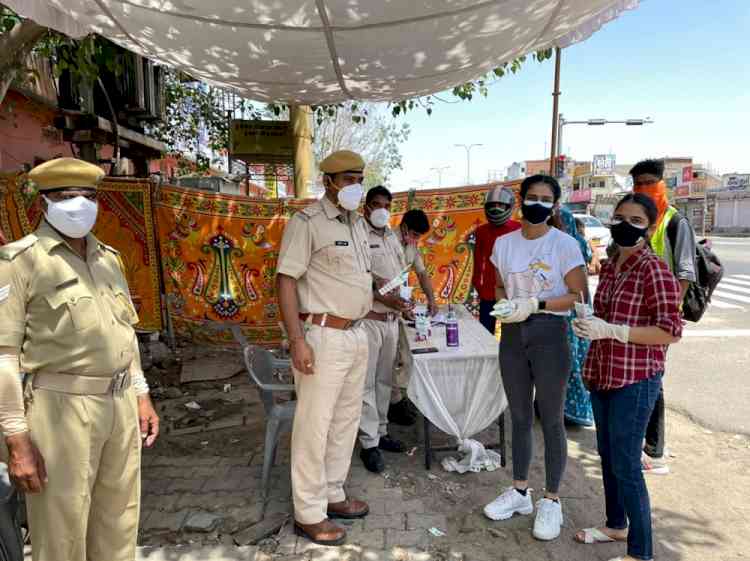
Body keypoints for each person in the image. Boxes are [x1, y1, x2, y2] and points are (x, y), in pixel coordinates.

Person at [0, 157, 159, 561]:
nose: (79, 205)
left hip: (120, 406)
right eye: (66, 196)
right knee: (62, 534)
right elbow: (3, 357)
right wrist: (16, 440)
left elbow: (126, 334)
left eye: (88, 196)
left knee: (118, 525)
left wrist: (141, 393)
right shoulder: (20, 262)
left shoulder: (109, 259)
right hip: (60, 410)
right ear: (44, 204)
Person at [573, 193, 682, 561]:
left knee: (627, 464)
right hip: (603, 373)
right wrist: (589, 325)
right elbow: (603, 316)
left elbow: (670, 330)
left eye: (635, 221)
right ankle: (615, 524)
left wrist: (616, 331)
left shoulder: (654, 269)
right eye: (619, 217)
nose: (624, 225)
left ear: (649, 228)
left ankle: (641, 552)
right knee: (607, 454)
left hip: (635, 380)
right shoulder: (611, 265)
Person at [276, 150, 372, 546]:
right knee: (314, 426)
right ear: (330, 181)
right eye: (349, 179)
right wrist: (297, 339)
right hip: (322, 336)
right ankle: (308, 513)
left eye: (359, 178)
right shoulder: (307, 223)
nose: (356, 186)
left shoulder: (358, 224)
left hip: (355, 335)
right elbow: (284, 281)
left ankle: (333, 492)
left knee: (345, 420)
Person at [483, 174, 587, 541]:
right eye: (532, 196)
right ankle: (520, 491)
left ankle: (552, 499)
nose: (537, 202)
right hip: (512, 334)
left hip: (548, 334)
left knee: (553, 420)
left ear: (554, 205)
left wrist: (536, 304)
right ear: (521, 200)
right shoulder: (505, 244)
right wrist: (504, 305)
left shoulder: (564, 245)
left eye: (545, 198)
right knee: (520, 416)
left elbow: (577, 296)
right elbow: (497, 285)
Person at [630, 159, 697, 475]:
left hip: (660, 318)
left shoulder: (674, 222)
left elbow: (685, 272)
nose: (642, 189)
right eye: (637, 184)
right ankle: (645, 440)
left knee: (652, 378)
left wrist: (669, 313)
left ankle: (655, 450)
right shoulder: (638, 220)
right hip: (635, 316)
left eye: (648, 183)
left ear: (661, 185)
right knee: (641, 377)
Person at [358, 186, 424, 472]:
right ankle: (368, 444)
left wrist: (403, 302)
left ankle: (382, 432)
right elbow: (360, 278)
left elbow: (396, 277)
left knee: (385, 380)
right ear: (366, 207)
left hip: (391, 322)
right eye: (376, 204)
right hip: (370, 320)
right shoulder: (358, 234)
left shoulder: (391, 238)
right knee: (367, 383)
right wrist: (385, 296)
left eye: (386, 204)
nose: (381, 209)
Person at [387, 208, 437, 427]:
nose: (416, 240)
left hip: (397, 302)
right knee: (388, 361)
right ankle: (392, 404)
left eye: (419, 237)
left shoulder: (412, 245)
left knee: (400, 356)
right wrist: (399, 303)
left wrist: (431, 300)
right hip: (382, 305)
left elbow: (422, 274)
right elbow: (381, 282)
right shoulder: (387, 240)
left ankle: (397, 399)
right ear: (404, 227)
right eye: (414, 234)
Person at [554, 209, 594, 427]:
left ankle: (572, 411)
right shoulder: (573, 245)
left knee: (571, 361)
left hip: (572, 313)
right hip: (570, 311)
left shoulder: (571, 247)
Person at [472, 186, 521, 334]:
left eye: (500, 205)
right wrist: (477, 284)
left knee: (512, 334)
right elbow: (478, 260)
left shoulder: (519, 229)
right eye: (492, 205)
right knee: (486, 333)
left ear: (509, 206)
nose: (496, 209)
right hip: (488, 290)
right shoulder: (481, 231)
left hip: (513, 290)